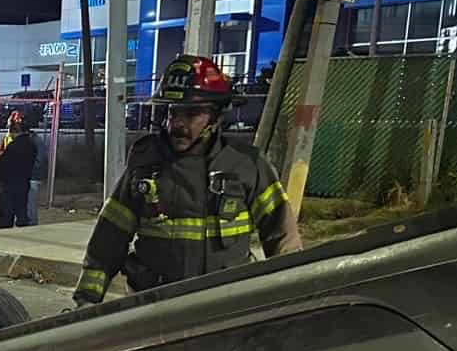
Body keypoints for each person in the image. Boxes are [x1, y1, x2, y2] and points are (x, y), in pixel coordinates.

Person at [73, 54, 301, 305]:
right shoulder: (145, 164)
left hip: (225, 307)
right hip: (152, 309)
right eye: (172, 113)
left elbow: (282, 237)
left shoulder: (246, 165)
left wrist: (291, 297)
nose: (177, 124)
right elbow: (108, 238)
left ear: (215, 118)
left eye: (191, 114)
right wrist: (86, 299)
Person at [0, 111, 37, 229]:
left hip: (9, 183)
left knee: (7, 212)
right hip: (24, 181)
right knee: (21, 210)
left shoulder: (13, 146)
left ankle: (5, 232)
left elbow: (2, 164)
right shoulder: (31, 145)